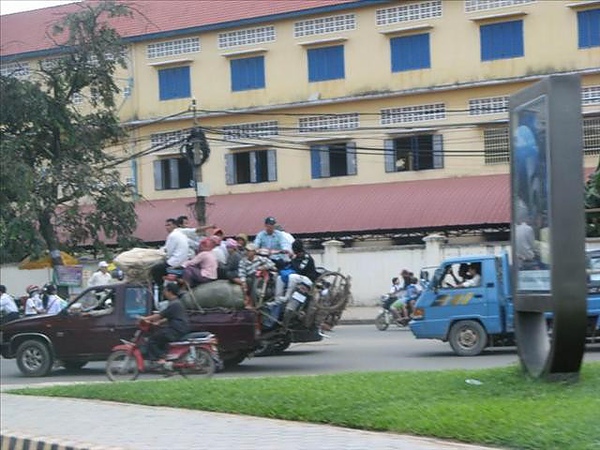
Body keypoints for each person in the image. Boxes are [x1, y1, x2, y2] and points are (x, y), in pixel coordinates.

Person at [139, 281, 190, 364]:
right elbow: (169, 316)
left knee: (153, 339)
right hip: (179, 329)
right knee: (160, 336)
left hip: (176, 330)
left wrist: (145, 318)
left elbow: (160, 315)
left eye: (165, 290)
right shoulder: (176, 303)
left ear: (170, 292)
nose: (164, 292)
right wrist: (159, 322)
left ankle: (162, 358)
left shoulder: (174, 304)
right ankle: (165, 356)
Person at [150, 218, 190, 286]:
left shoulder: (172, 235)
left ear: (174, 225)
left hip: (175, 262)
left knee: (155, 269)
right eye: (166, 225)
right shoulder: (181, 234)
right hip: (183, 260)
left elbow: (168, 252)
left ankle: (160, 287)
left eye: (169, 225)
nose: (167, 227)